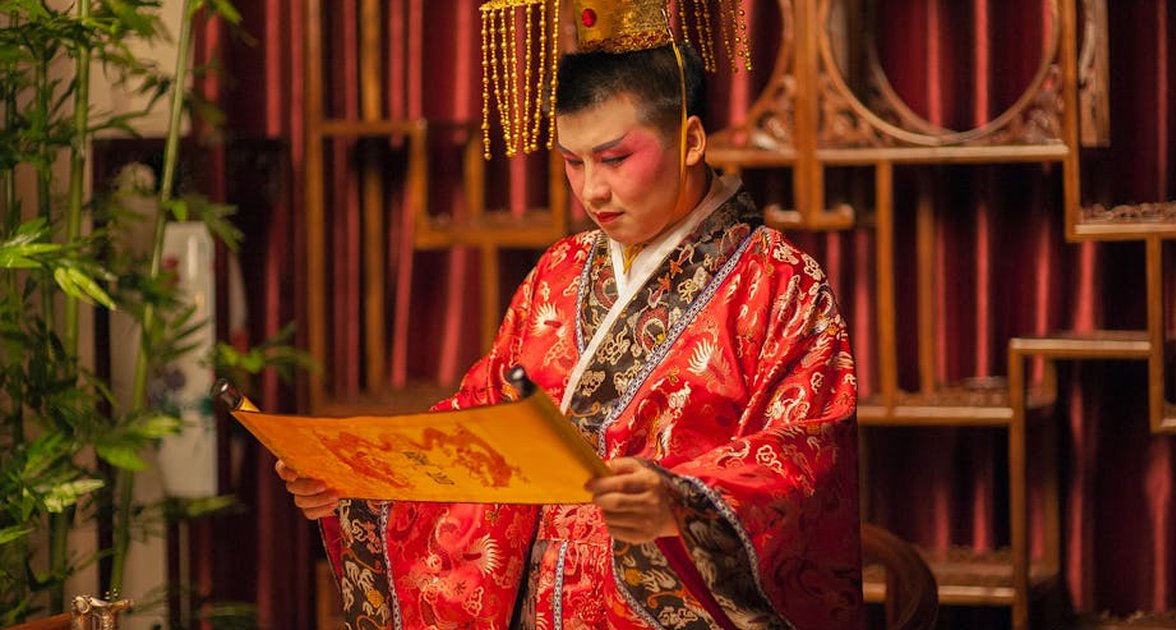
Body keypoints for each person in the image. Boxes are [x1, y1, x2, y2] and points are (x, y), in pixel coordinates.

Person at [278, 16, 862, 630]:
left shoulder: (778, 282)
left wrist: (684, 503)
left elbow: (804, 454)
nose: (593, 190)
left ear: (690, 140)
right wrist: (359, 480)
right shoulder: (560, 269)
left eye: (614, 158)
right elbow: (480, 424)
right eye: (573, 162)